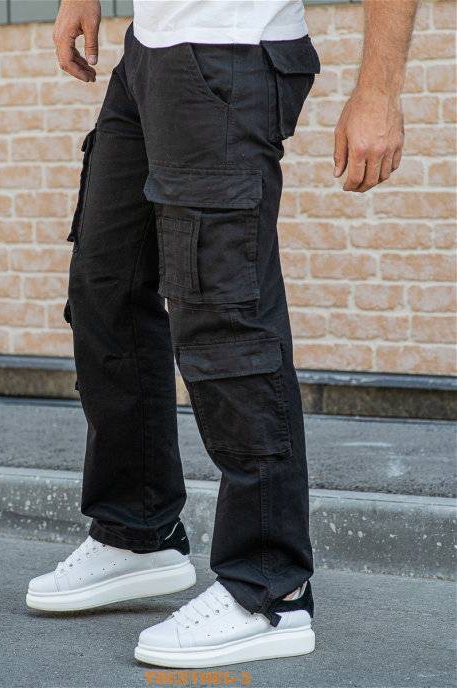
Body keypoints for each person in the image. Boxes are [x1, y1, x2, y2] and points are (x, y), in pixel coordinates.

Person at [26, 0, 418, 668]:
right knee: (105, 290)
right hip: (149, 52)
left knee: (224, 316)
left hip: (230, 56)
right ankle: (137, 532)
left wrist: (378, 91)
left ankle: (270, 587)